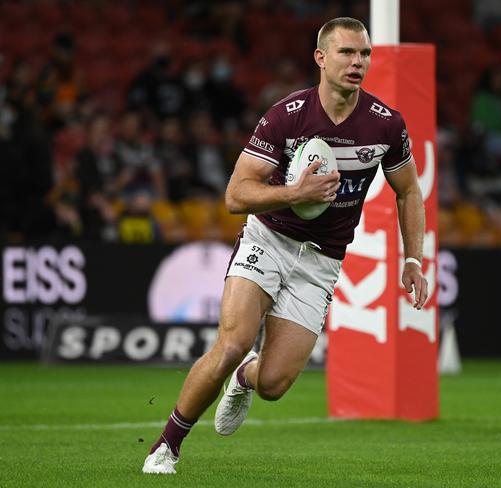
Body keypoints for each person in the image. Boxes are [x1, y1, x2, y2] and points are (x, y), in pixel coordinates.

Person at [142, 17, 428, 475]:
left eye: (365, 54)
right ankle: (166, 447)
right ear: (320, 58)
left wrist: (413, 258)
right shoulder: (287, 116)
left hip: (321, 262)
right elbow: (236, 195)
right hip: (268, 238)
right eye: (346, 53)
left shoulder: (385, 126)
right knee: (233, 342)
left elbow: (409, 191)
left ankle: (244, 379)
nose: (358, 62)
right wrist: (295, 194)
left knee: (273, 384)